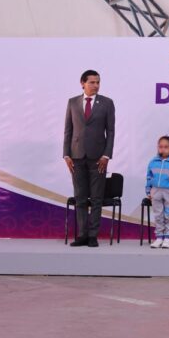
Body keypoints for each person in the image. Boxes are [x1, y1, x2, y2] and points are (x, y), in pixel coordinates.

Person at [63, 69, 116, 248]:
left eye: (98, 82)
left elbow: (111, 131)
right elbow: (68, 130)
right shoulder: (72, 102)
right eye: (92, 82)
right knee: (80, 198)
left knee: (96, 199)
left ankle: (93, 235)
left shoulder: (107, 103)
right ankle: (82, 235)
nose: (96, 85)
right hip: (76, 157)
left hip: (98, 158)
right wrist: (66, 154)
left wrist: (106, 155)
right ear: (82, 83)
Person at [145, 136, 169, 249]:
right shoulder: (153, 162)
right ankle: (159, 237)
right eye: (160, 147)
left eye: (166, 147)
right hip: (155, 191)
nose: (163, 149)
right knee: (158, 215)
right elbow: (149, 177)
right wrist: (148, 190)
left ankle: (167, 238)